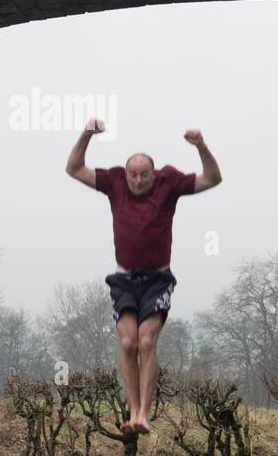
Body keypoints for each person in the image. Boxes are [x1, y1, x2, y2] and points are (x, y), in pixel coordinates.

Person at [66, 120, 222, 435]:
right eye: (133, 175)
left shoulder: (170, 183)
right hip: (124, 278)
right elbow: (74, 168)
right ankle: (132, 409)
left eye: (144, 175)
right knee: (127, 342)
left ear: (154, 174)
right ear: (126, 175)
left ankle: (143, 416)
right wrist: (87, 134)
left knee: (147, 340)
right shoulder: (113, 182)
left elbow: (213, 178)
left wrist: (200, 145)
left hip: (157, 279)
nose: (138, 181)